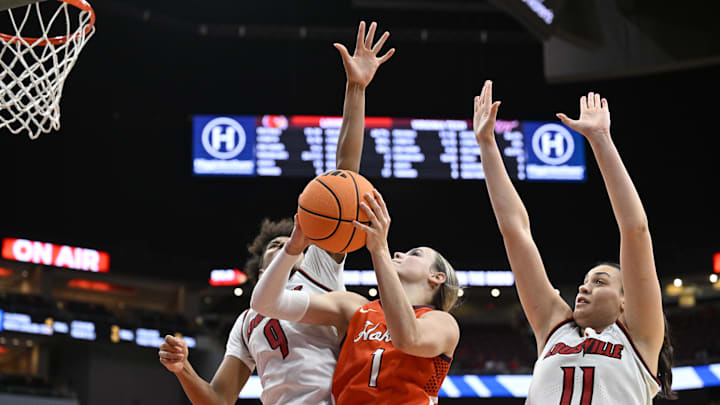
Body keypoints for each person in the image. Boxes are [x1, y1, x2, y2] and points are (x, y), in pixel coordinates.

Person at [157, 20, 395, 404]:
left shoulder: (317, 266)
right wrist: (183, 370)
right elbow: (219, 400)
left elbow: (345, 175)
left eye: (294, 240)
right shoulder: (246, 321)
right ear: (262, 265)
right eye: (279, 244)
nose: (291, 243)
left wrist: (356, 88)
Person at [472, 80, 675, 403]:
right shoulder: (554, 327)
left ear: (626, 301)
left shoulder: (639, 338)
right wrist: (486, 144)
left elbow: (635, 229)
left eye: (599, 281)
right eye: (586, 281)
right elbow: (515, 232)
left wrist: (600, 140)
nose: (583, 288)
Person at [250, 188, 461, 405]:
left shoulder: (442, 322)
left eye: (414, 254)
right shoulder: (355, 307)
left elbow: (408, 338)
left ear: (437, 277)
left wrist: (379, 250)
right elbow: (265, 303)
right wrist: (293, 249)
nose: (398, 254)